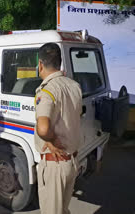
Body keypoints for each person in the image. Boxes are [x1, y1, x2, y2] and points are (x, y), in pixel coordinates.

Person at [34, 43, 82, 214]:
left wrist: (51, 140)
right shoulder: (74, 86)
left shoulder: (47, 91)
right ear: (59, 63)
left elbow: (43, 128)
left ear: (40, 64)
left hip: (55, 165)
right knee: (63, 209)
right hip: (72, 161)